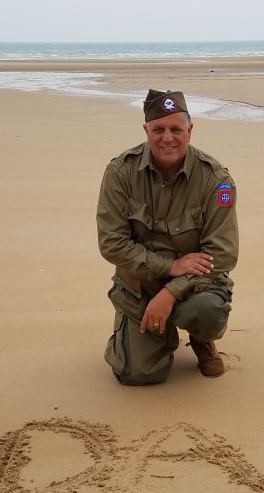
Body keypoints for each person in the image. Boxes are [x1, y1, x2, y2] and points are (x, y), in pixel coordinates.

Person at [96, 89, 239, 385]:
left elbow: (223, 254)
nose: (167, 138)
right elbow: (111, 243)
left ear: (190, 129)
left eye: (176, 129)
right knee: (137, 374)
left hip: (195, 287)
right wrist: (169, 267)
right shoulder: (120, 172)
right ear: (146, 129)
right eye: (158, 129)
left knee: (207, 311)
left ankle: (200, 338)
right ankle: (136, 329)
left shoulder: (216, 180)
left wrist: (172, 291)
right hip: (140, 285)